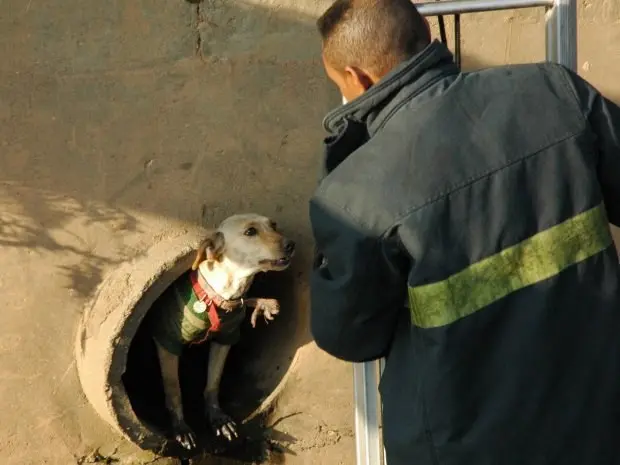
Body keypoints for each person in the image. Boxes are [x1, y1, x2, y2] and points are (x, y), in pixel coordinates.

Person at [308, 0, 620, 464]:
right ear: (426, 34)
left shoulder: (354, 194)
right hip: (595, 417)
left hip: (459, 445)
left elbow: (349, 337)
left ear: (357, 78)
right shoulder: (555, 91)